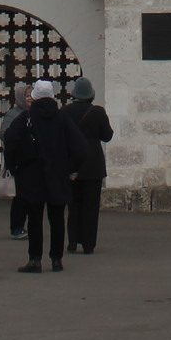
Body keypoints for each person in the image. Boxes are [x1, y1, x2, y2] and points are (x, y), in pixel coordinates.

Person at [2, 79, 89, 273]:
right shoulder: (62, 118)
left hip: (32, 176)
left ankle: (35, 260)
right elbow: (81, 148)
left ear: (34, 97)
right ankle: (56, 259)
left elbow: (10, 141)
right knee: (57, 217)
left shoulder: (26, 118)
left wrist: (16, 167)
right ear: (52, 97)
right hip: (58, 175)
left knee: (34, 218)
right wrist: (72, 169)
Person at [60, 78, 114, 255]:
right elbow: (107, 136)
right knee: (90, 206)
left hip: (72, 164)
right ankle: (89, 243)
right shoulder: (97, 112)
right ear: (91, 95)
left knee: (73, 204)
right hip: (93, 165)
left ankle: (73, 241)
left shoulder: (66, 111)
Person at [0, 82, 32, 239]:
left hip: (30, 160)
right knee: (20, 196)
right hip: (18, 160)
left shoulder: (35, 112)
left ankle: (27, 225)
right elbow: (3, 133)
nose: (30, 98)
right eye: (27, 95)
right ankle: (17, 227)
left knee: (30, 195)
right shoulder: (13, 114)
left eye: (32, 95)